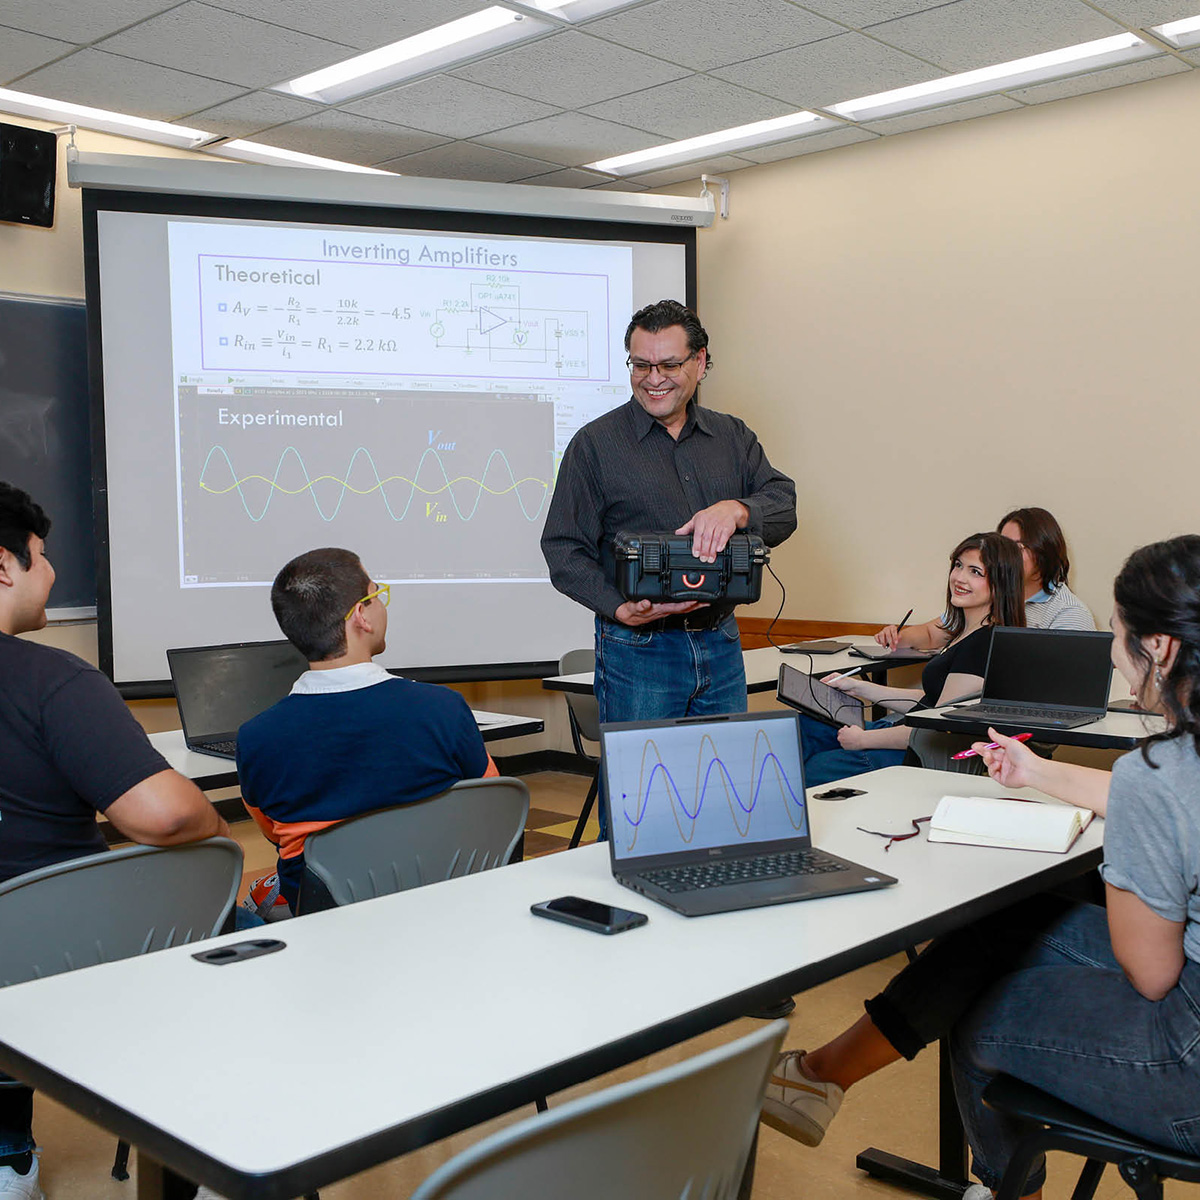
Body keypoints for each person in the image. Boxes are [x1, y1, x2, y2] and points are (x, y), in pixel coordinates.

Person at [762, 534, 1200, 1200]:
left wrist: (1125, 865)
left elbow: (1152, 969)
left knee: (976, 1009)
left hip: (1185, 1052)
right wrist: (1038, 771)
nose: (1114, 652)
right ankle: (819, 1076)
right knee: (1014, 918)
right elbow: (1168, 796)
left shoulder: (1159, 774)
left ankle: (1003, 1190)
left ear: (1160, 647)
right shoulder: (1172, 768)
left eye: (1118, 632)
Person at [0, 481, 230, 1200]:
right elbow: (162, 818)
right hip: (59, 967)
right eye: (40, 556)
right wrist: (218, 828)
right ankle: (217, 1149)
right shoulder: (51, 680)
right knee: (242, 926)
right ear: (3, 566)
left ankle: (8, 1152)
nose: (53, 574)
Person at [540, 299, 797, 789]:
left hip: (721, 641)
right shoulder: (594, 445)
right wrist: (619, 608)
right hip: (638, 650)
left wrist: (738, 509)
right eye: (641, 365)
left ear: (700, 363)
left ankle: (712, 870)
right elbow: (562, 548)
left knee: (725, 791)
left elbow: (784, 503)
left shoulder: (732, 436)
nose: (653, 378)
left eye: (669, 364)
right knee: (638, 800)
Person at [236, 547, 498, 915]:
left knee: (248, 908)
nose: (381, 605)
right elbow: (492, 805)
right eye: (376, 595)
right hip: (441, 907)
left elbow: (272, 834)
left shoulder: (256, 740)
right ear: (362, 616)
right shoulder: (443, 709)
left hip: (324, 924)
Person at [799, 532, 1025, 786]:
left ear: (1000, 584)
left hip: (919, 756)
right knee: (808, 725)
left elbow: (935, 726)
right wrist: (859, 687)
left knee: (811, 768)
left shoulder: (983, 643)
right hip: (910, 739)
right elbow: (934, 702)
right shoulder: (965, 631)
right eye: (959, 565)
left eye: (975, 572)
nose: (959, 578)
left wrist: (863, 740)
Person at [877, 507, 1093, 651]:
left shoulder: (1068, 614)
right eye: (1001, 546)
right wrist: (897, 638)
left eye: (1015, 548)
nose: (1005, 555)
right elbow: (932, 633)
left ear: (1044, 553)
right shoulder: (990, 592)